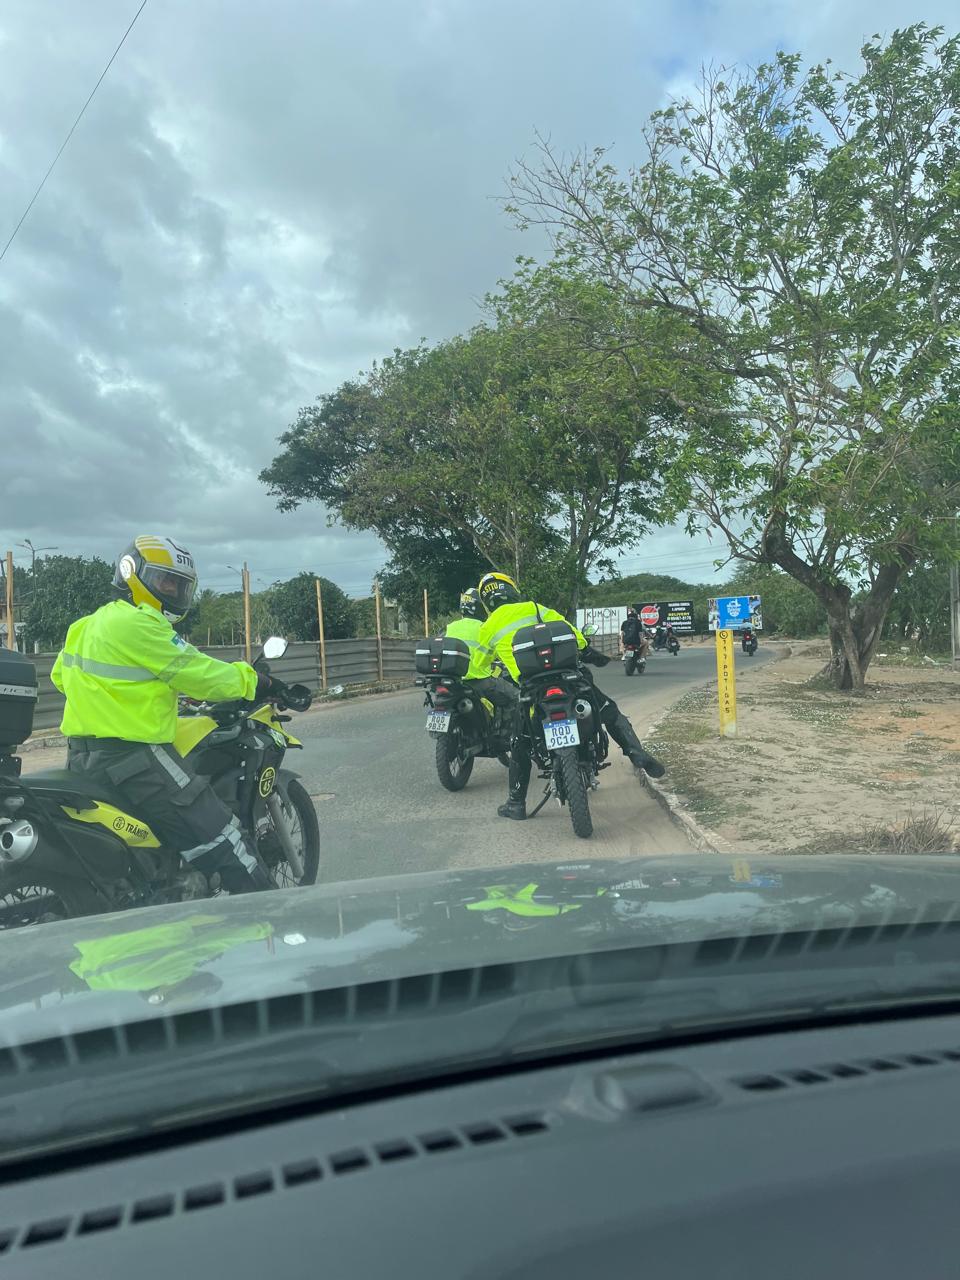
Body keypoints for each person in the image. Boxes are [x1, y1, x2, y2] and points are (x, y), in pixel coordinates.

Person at [51, 535, 275, 893]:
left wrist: (144, 698)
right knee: (225, 841)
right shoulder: (140, 625)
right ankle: (273, 920)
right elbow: (200, 674)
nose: (172, 590)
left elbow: (63, 678)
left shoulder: (85, 626)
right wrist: (255, 682)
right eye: (164, 580)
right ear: (132, 573)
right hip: (137, 762)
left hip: (82, 757)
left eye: (178, 584)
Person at [476, 572, 665, 821]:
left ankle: (516, 803)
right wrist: (592, 653)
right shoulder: (536, 608)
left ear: (486, 603)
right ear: (512, 591)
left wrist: (497, 673)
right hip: (569, 678)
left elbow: (478, 665)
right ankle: (635, 752)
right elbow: (573, 635)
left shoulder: (488, 627)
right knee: (608, 709)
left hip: (531, 687)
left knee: (519, 741)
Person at [446, 587, 518, 712]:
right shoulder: (484, 627)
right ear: (480, 607)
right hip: (479, 682)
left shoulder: (450, 627)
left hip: (454, 682)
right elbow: (498, 653)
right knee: (515, 697)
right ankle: (508, 731)